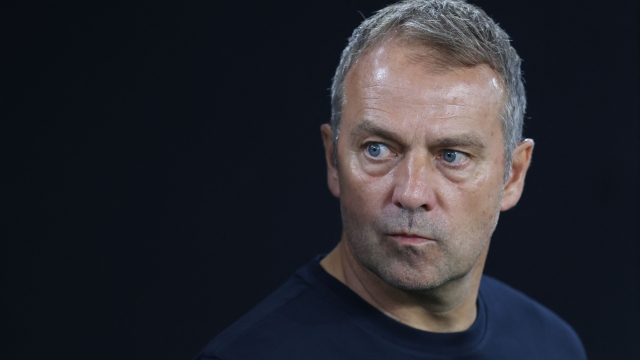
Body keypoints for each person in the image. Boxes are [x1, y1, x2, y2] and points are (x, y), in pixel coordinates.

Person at [194, 0, 587, 358]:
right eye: (378, 149)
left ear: (512, 175)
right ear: (333, 160)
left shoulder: (553, 346)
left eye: (452, 156)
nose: (411, 193)